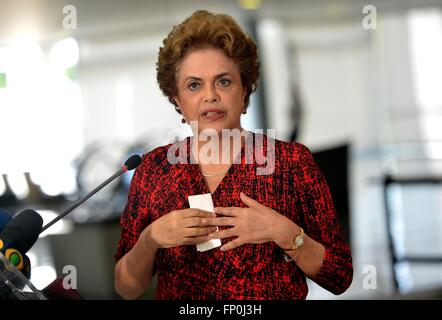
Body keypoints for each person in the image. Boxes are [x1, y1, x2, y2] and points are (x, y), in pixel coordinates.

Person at [114, 10, 352, 300]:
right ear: (176, 99)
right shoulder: (154, 170)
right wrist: (149, 240)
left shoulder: (292, 163)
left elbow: (339, 277)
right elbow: (126, 289)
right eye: (194, 85)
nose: (210, 95)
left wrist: (285, 232)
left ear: (245, 91)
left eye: (224, 81)